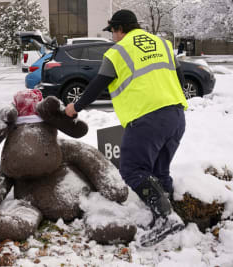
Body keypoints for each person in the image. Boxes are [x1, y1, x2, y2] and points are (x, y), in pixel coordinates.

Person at [65, 10, 188, 245]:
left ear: (120, 29)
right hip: (176, 116)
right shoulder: (162, 44)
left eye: (112, 31)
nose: (112, 36)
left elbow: (97, 85)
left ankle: (167, 218)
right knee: (160, 172)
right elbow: (180, 79)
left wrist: (75, 107)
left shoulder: (117, 52)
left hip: (147, 119)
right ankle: (170, 225)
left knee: (132, 170)